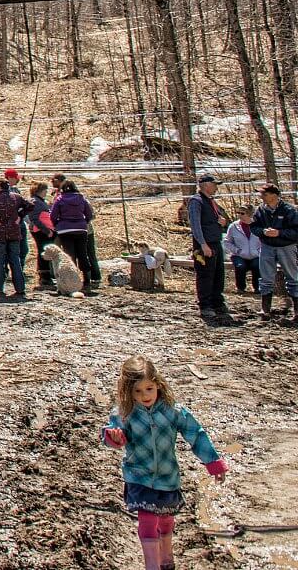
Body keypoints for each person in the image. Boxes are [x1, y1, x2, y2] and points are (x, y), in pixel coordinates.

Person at [101, 356, 229, 570]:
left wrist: (213, 463)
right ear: (128, 391)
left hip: (168, 477)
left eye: (149, 389)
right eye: (138, 391)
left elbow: (196, 435)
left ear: (158, 384)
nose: (145, 396)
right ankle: (152, 565)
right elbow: (113, 433)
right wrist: (114, 437)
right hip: (139, 477)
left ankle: (167, 557)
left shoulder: (173, 411)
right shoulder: (125, 413)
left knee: (166, 519)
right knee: (148, 520)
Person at [185, 175, 232, 324]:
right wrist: (203, 244)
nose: (216, 187)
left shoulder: (212, 202)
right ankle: (205, 304)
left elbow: (223, 219)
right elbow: (195, 225)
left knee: (218, 274)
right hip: (204, 244)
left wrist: (224, 222)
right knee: (205, 275)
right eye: (214, 184)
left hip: (216, 241)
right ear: (205, 185)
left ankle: (217, 301)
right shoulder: (196, 201)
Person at [250, 183, 298, 322]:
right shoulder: (260, 210)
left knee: (293, 278)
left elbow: (296, 231)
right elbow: (254, 227)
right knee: (266, 278)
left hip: (286, 247)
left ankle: (297, 311)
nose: (262, 197)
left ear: (274, 195)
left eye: (265, 194)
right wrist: (263, 232)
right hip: (267, 246)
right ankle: (265, 309)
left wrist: (279, 233)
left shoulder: (289, 210)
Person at [0, 178, 32, 301]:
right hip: (14, 233)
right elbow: (30, 205)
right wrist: (20, 216)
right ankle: (20, 288)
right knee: (15, 260)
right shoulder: (16, 197)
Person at [51, 180, 100, 289]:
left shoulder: (59, 199)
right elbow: (89, 214)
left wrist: (57, 224)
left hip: (65, 230)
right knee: (83, 253)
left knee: (70, 255)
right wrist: (84, 222)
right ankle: (87, 280)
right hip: (81, 229)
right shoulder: (81, 198)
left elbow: (53, 215)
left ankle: (73, 279)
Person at [224, 210, 262, 296]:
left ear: (250, 215)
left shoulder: (258, 225)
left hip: (256, 254)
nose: (240, 215)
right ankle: (240, 288)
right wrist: (236, 250)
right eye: (238, 213)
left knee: (256, 265)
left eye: (242, 213)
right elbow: (227, 242)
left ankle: (258, 288)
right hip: (238, 254)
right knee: (240, 267)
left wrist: (259, 251)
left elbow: (264, 240)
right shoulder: (233, 226)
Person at [27, 182, 57, 287]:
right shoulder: (36, 202)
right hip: (41, 232)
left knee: (44, 252)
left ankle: (46, 276)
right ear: (40, 191)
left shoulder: (40, 201)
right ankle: (45, 276)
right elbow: (34, 218)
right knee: (44, 252)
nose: (46, 192)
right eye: (45, 190)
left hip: (44, 230)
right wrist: (46, 230)